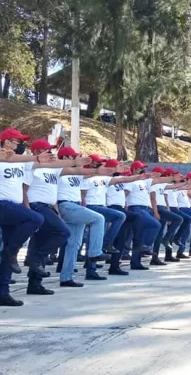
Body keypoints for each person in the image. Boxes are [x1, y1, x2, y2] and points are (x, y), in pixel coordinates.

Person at [23, 140, 98, 292]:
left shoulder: (53, 170)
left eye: (51, 150)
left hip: (49, 207)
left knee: (41, 241)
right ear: (37, 151)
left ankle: (35, 283)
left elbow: (76, 172)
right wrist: (27, 209)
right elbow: (24, 190)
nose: (51, 152)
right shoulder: (31, 167)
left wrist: (95, 169)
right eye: (47, 150)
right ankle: (33, 260)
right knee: (62, 232)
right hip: (36, 206)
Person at [0, 129, 48, 306]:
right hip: (3, 204)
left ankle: (3, 292)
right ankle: (12, 250)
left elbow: (48, 165)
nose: (19, 144)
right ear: (5, 141)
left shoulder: (21, 162)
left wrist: (74, 163)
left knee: (7, 251)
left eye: (20, 141)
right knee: (36, 219)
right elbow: (8, 158)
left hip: (14, 208)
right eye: (16, 141)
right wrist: (34, 158)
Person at [55, 146, 112, 283]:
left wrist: (98, 170)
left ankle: (66, 278)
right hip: (66, 205)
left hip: (75, 205)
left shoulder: (76, 174)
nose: (76, 158)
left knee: (74, 244)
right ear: (65, 158)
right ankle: (94, 253)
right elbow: (75, 169)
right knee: (99, 218)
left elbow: (84, 172)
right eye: (73, 156)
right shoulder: (59, 170)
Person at [124, 161, 178, 270]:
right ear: (134, 169)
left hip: (145, 208)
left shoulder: (145, 182)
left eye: (142, 168)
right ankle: (146, 246)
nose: (142, 170)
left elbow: (160, 180)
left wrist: (173, 178)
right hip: (136, 208)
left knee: (140, 235)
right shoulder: (131, 182)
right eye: (139, 169)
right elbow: (124, 195)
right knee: (154, 225)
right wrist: (126, 208)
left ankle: (136, 262)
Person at [149, 167, 185, 265]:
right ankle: (165, 241)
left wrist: (188, 183)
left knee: (159, 234)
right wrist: (156, 212)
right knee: (178, 219)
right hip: (158, 208)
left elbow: (176, 187)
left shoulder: (163, 184)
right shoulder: (152, 184)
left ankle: (155, 257)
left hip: (163, 208)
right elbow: (153, 199)